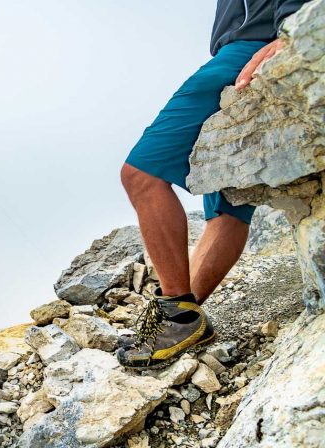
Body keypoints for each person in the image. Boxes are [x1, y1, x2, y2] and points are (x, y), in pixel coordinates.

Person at [116, 0, 310, 369]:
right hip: (248, 47)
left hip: (250, 50)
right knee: (229, 202)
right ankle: (186, 321)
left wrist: (291, 28)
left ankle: (177, 315)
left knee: (140, 175)